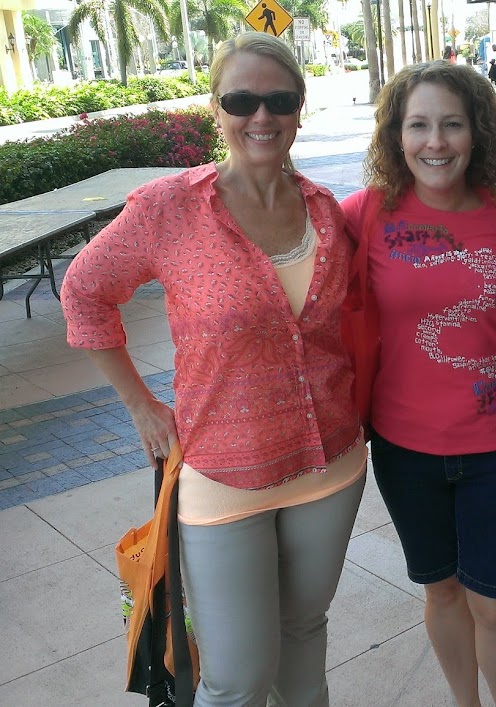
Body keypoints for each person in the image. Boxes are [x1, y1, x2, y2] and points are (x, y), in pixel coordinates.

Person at [61, 32, 366, 707]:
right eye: (241, 100)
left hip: (331, 462)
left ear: (299, 107)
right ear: (216, 107)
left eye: (279, 100)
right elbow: (83, 290)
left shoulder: (324, 209)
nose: (262, 115)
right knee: (236, 679)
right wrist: (141, 405)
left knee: (303, 641)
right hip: (223, 473)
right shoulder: (169, 208)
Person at [341, 61, 496, 707]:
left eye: (452, 124)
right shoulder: (364, 215)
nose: (436, 142)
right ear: (395, 136)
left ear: (477, 131)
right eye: (419, 125)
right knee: (443, 590)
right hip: (405, 448)